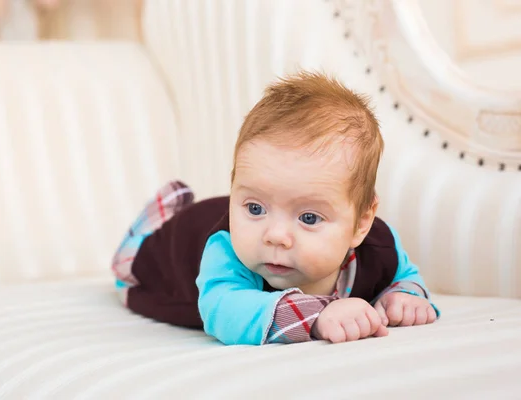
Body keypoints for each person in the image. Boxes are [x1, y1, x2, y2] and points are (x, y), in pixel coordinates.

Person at [111, 71, 439, 345]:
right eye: (254, 208)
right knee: (128, 267)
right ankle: (160, 213)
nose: (276, 236)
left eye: (309, 217)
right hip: (173, 246)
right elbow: (222, 310)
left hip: (207, 218)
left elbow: (403, 275)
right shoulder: (226, 250)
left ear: (361, 223)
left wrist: (404, 297)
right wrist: (318, 316)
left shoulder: (379, 245)